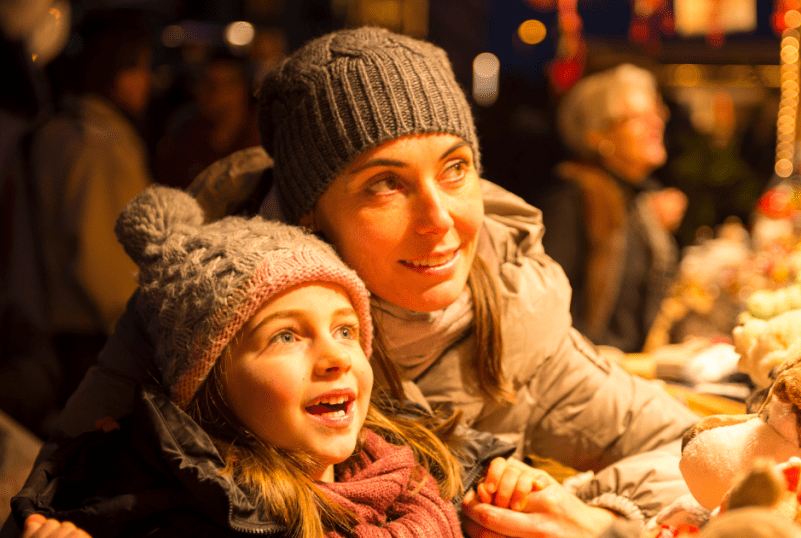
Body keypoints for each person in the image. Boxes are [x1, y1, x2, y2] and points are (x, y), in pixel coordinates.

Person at [51, 27, 701, 537]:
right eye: (385, 184)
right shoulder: (197, 313)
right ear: (308, 213)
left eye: (455, 169)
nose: (440, 220)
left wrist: (598, 519)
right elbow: (60, 495)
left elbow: (699, 453)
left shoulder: (510, 318)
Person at [5, 185, 466, 537]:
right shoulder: (165, 520)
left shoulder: (421, 468)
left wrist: (519, 499)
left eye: (345, 330)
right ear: (210, 381)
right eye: (286, 335)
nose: (335, 358)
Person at [26, 8, 154, 418]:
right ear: (113, 70)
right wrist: (142, 330)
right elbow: (100, 258)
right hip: (96, 334)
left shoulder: (58, 129)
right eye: (139, 68)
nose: (146, 82)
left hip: (61, 327)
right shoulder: (98, 143)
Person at [538, 63, 687, 353]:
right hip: (592, 376)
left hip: (631, 370)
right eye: (636, 117)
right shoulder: (572, 201)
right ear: (598, 136)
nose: (655, 122)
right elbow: (548, 313)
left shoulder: (634, 199)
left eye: (656, 111)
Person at [154, 51, 261, 190]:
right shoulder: (183, 137)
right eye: (206, 82)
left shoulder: (264, 140)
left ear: (243, 89)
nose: (215, 93)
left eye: (226, 84)